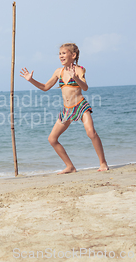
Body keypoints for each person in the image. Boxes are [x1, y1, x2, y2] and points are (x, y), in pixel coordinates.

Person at [20, 43, 108, 174]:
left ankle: (103, 163)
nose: (61, 56)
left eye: (64, 53)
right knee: (52, 139)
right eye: (60, 54)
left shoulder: (79, 70)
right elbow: (45, 87)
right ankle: (70, 166)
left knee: (91, 133)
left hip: (80, 106)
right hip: (67, 110)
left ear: (73, 55)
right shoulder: (59, 71)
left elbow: (85, 87)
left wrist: (75, 78)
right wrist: (31, 80)